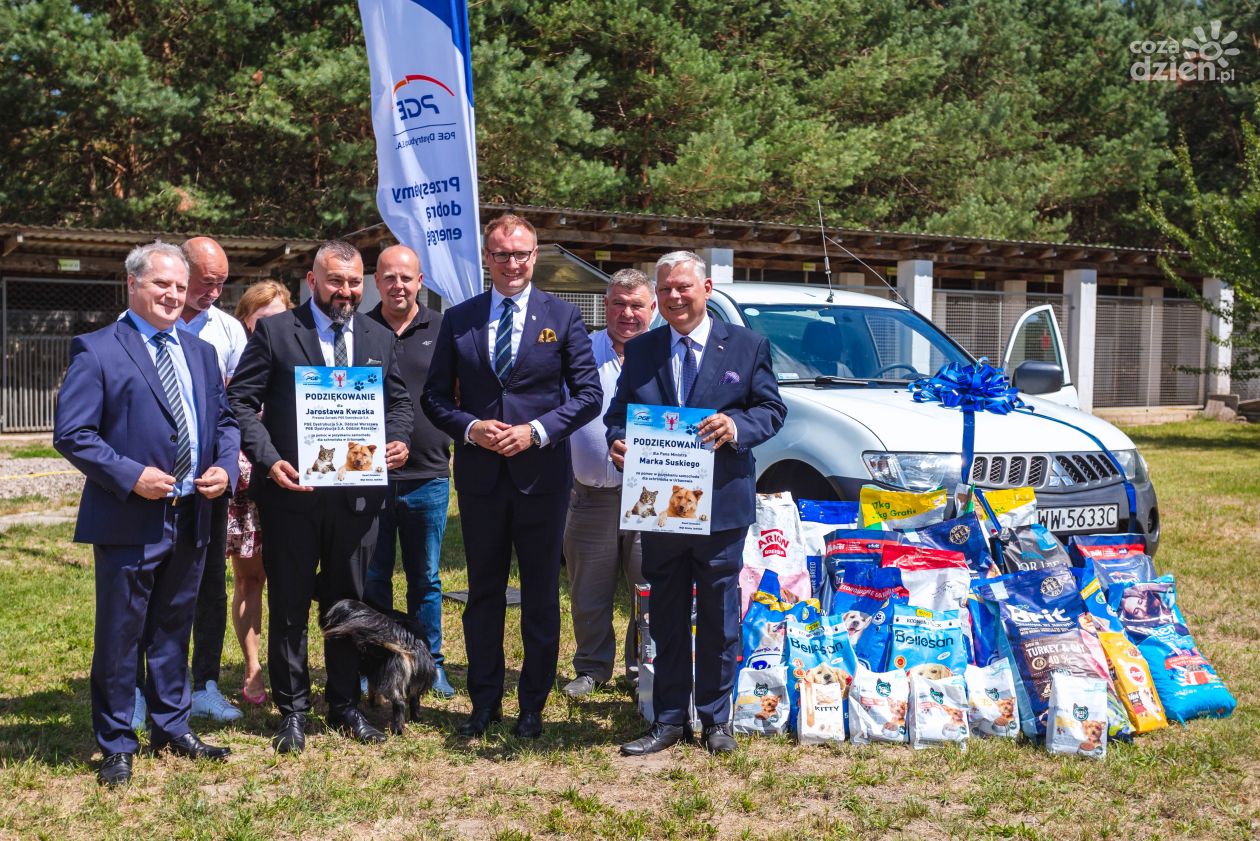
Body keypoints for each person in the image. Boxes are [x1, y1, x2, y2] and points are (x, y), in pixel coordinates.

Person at [53, 241, 240, 786]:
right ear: (132, 284)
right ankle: (116, 742)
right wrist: (131, 475)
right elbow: (73, 433)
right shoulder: (98, 348)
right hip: (129, 516)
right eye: (162, 284)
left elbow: (225, 421)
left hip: (192, 514)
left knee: (171, 628)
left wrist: (225, 468)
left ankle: (172, 726)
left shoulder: (201, 352)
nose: (173, 295)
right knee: (120, 634)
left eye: (180, 287)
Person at [227, 240, 413, 754]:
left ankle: (344, 705)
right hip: (293, 495)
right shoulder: (276, 331)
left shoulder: (377, 335)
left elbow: (397, 402)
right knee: (288, 604)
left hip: (356, 501)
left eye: (355, 283)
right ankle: (293, 711)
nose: (347, 292)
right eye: (336, 281)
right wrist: (269, 459)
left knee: (346, 605)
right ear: (313, 281)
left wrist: (398, 438)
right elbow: (241, 402)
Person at [421, 214, 602, 739]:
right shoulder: (459, 319)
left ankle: (532, 705)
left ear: (535, 254)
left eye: (522, 253)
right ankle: (483, 702)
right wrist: (472, 427)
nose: (513, 263)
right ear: (486, 257)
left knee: (542, 596)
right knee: (484, 595)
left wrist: (538, 431)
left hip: (542, 478)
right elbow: (434, 397)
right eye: (502, 254)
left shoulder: (563, 316)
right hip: (480, 480)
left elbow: (588, 396)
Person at [606, 250, 786, 756]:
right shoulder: (642, 350)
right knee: (662, 613)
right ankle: (667, 720)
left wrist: (736, 427)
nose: (675, 297)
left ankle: (714, 719)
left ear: (707, 290)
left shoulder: (747, 347)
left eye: (684, 287)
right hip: (660, 504)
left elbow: (772, 409)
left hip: (721, 505)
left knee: (718, 617)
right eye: (665, 290)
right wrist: (618, 442)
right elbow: (618, 416)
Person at [363, 245, 456, 699]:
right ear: (375, 282)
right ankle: (377, 664)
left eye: (407, 277)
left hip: (429, 475)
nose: (398, 285)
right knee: (373, 577)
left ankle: (429, 664)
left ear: (421, 281)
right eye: (388, 277)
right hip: (367, 477)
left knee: (426, 578)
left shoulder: (443, 329)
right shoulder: (358, 329)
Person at [561, 269, 656, 698]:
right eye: (618, 303)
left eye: (637, 304)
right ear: (605, 305)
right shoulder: (581, 350)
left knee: (649, 589)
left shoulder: (666, 354)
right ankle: (593, 667)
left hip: (653, 499)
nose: (627, 313)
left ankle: (643, 672)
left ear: (652, 308)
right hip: (591, 493)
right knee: (588, 591)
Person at [179, 236, 249, 724]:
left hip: (210, 481)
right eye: (207, 283)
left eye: (222, 284)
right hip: (153, 481)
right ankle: (144, 686)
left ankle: (204, 681)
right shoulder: (128, 329)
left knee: (208, 584)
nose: (215, 294)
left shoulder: (227, 331)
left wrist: (227, 465)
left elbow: (237, 409)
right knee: (149, 588)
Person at [228, 280, 294, 706]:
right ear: (246, 323)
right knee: (250, 578)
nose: (269, 328)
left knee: (295, 580)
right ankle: (253, 669)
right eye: (260, 320)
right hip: (248, 482)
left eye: (278, 319)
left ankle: (294, 666)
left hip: (295, 482)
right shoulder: (232, 371)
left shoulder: (304, 360)